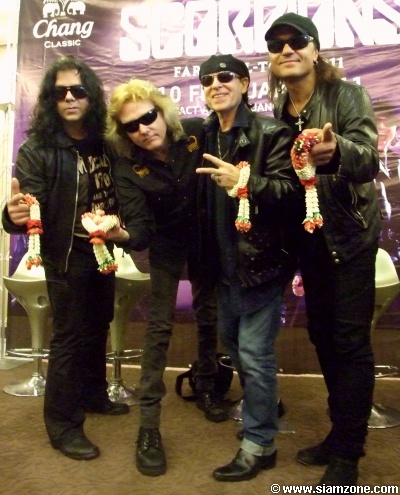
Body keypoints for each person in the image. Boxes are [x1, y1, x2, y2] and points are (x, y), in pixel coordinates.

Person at [265, 12, 382, 487]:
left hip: (349, 237)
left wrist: (338, 153)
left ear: (315, 51)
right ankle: (339, 434)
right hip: (309, 241)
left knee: (350, 342)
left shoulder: (345, 96)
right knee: (323, 338)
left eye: (297, 41)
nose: (287, 49)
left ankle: (348, 456)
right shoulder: (281, 112)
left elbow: (369, 159)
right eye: (277, 44)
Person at [2, 55, 129, 462]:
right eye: (60, 93)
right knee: (70, 337)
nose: (70, 98)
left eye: (78, 90)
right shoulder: (38, 149)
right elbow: (28, 206)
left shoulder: (107, 141)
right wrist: (12, 216)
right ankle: (63, 425)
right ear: (50, 100)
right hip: (66, 253)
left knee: (98, 323)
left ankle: (93, 394)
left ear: (91, 96)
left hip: (103, 249)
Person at [105, 78, 226, 477]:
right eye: (131, 126)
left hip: (207, 238)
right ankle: (148, 428)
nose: (143, 128)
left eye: (148, 117)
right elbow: (139, 228)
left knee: (209, 314)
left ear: (162, 111)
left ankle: (207, 385)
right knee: (158, 329)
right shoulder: (127, 167)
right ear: (124, 133)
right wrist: (123, 236)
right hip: (166, 244)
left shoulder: (195, 132)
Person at [196, 54, 302, 482]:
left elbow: (292, 193)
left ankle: (260, 444)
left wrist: (244, 183)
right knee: (236, 349)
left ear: (244, 83)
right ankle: (267, 403)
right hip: (220, 268)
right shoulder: (202, 135)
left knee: (255, 357)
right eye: (207, 80)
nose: (215, 85)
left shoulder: (271, 133)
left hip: (261, 264)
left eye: (225, 77)